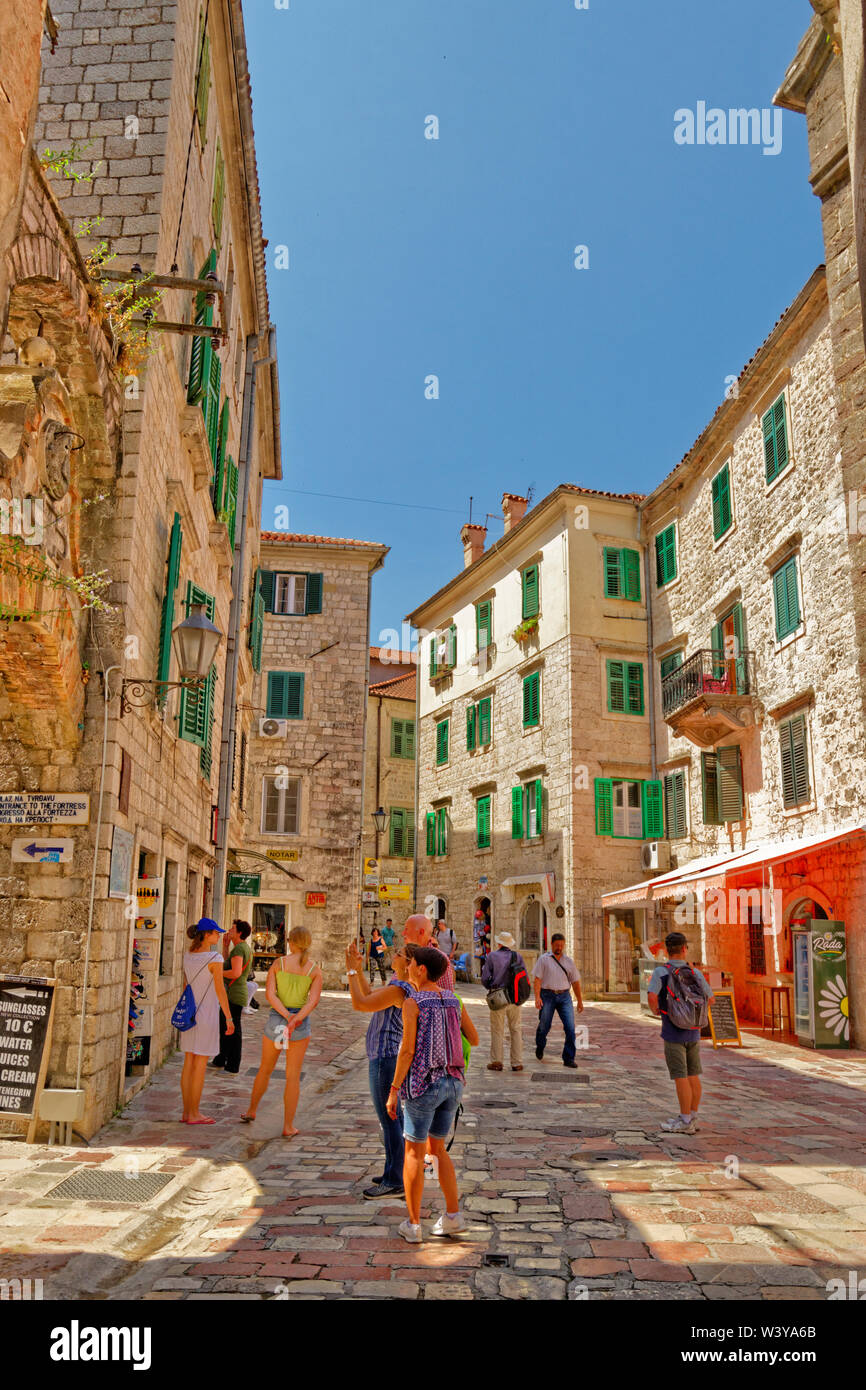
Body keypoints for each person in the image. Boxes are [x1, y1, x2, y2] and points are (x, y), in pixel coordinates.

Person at [386, 944, 479, 1243]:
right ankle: (453, 1216)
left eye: (411, 963)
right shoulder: (454, 1000)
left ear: (421, 969)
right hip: (453, 1082)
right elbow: (474, 1039)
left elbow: (408, 1050)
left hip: (424, 1084)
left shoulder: (413, 1003)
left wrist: (394, 1089)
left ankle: (413, 1225)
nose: (409, 967)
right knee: (436, 1150)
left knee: (414, 1152)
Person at [345, 939, 413, 1198]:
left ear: (408, 964)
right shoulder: (396, 985)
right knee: (394, 1119)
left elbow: (360, 1004)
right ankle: (394, 1170)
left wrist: (351, 971)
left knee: (390, 1119)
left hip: (386, 1056)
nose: (394, 954)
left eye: (399, 954)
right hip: (384, 1055)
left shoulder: (399, 989)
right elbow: (370, 996)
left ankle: (395, 1179)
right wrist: (359, 971)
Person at [241, 926, 322, 1138]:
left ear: (291, 942)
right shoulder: (314, 970)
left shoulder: (280, 964)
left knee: (266, 1068)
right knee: (293, 1076)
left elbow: (269, 994)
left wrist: (286, 1016)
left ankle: (252, 1110)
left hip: (279, 1020)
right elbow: (313, 1001)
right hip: (299, 1023)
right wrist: (296, 1018)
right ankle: (288, 1126)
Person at [647, 931, 714, 1134]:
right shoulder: (695, 972)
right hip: (693, 1031)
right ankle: (692, 1116)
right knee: (694, 1074)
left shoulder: (661, 972)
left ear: (667, 951)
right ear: (685, 949)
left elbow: (651, 996)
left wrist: (656, 1010)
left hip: (673, 1030)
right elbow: (710, 999)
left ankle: (684, 1121)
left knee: (680, 1076)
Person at [179, 918, 234, 1125]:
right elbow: (220, 989)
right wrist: (229, 1017)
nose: (219, 936)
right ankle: (194, 1113)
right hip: (207, 1015)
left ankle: (186, 1112)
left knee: (188, 1062)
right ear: (206, 934)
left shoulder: (188, 956)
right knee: (200, 1064)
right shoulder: (215, 958)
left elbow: (186, 986)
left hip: (190, 1013)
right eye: (216, 933)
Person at [532, 933, 584, 1068]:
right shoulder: (544, 960)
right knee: (544, 1026)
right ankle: (540, 1045)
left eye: (561, 945)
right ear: (551, 944)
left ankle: (568, 1058)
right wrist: (537, 997)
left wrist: (579, 1000)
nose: (559, 948)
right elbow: (537, 980)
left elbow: (575, 982)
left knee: (570, 1027)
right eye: (557, 945)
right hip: (547, 995)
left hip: (564, 996)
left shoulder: (568, 962)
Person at [482, 930, 527, 1072]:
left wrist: (491, 986)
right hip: (515, 997)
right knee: (516, 1028)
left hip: (498, 997)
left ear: (499, 943)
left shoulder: (492, 956)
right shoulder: (517, 956)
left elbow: (485, 978)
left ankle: (497, 1061)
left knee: (497, 1030)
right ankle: (517, 1062)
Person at [211, 920, 252, 1073]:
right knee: (226, 1027)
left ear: (240, 933)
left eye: (233, 928)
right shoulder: (239, 948)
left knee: (232, 1029)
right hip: (234, 992)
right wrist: (225, 947)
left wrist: (217, 973)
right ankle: (222, 1058)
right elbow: (227, 963)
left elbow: (235, 972)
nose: (229, 930)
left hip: (234, 993)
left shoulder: (240, 949)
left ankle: (233, 1064)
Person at [403, 913, 456, 991]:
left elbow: (447, 997)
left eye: (406, 929)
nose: (403, 933)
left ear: (421, 932)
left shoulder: (438, 960)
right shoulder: (407, 954)